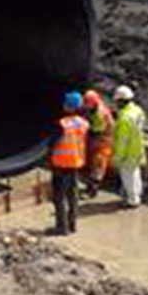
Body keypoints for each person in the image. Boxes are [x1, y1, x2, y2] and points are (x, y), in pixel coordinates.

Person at [49, 92, 90, 235]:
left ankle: (62, 228)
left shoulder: (62, 124)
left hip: (60, 165)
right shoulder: (84, 123)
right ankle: (72, 225)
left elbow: (51, 144)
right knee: (72, 196)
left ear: (69, 106)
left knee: (59, 197)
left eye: (65, 103)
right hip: (75, 164)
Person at [113, 85, 148, 208]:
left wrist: (118, 157)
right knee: (135, 173)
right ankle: (137, 195)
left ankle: (132, 200)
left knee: (128, 177)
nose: (115, 104)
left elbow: (122, 141)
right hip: (138, 148)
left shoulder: (124, 118)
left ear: (121, 101)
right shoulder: (137, 110)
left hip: (128, 152)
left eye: (117, 101)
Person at [82, 89, 115, 198]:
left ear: (93, 102)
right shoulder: (96, 106)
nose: (85, 105)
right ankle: (91, 186)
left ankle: (92, 190)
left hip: (103, 141)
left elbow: (96, 130)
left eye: (87, 103)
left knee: (98, 164)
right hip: (100, 139)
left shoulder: (99, 114)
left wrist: (85, 126)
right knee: (95, 164)